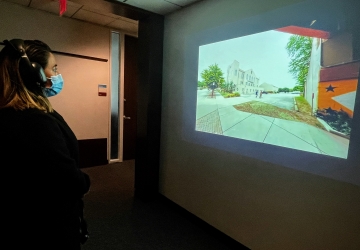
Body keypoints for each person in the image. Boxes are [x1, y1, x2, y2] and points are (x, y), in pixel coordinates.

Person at [0, 39, 91, 249]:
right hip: (47, 227)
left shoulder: (11, 114)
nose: (57, 75)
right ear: (35, 74)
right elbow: (64, 176)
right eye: (54, 68)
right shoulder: (34, 121)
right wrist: (84, 182)